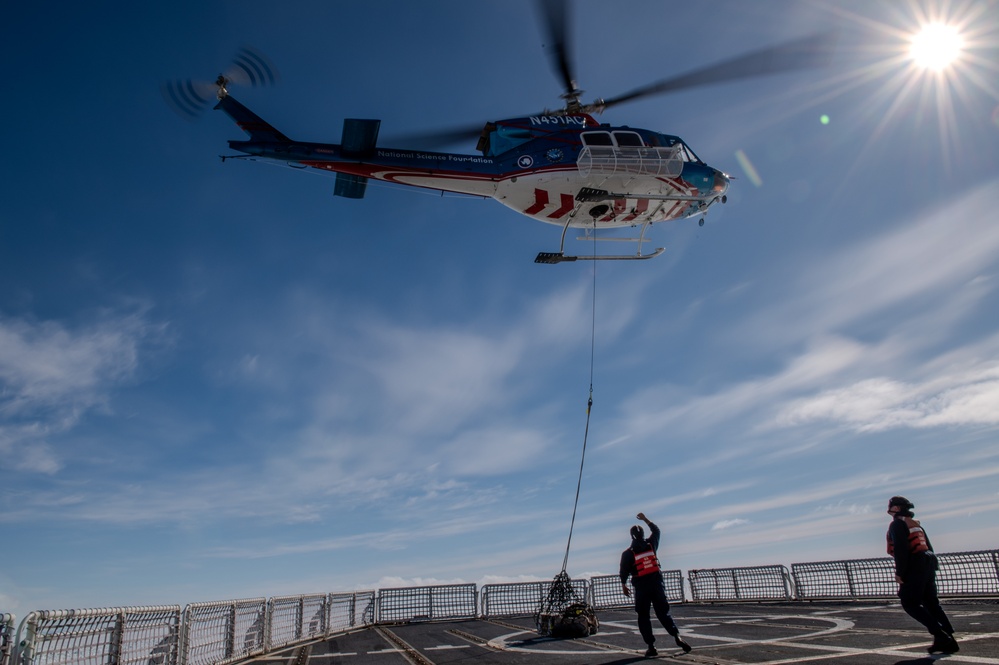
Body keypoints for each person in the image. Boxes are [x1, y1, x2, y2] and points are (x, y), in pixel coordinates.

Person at [886, 496, 958, 654]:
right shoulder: (916, 525)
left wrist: (900, 573)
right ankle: (950, 639)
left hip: (914, 565)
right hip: (928, 563)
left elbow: (901, 549)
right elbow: (929, 546)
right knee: (931, 603)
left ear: (896, 508)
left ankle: (940, 635)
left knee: (909, 602)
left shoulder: (897, 524)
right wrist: (933, 567)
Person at [619, 512, 691, 658]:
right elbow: (657, 531)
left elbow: (624, 571)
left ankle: (651, 646)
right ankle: (676, 635)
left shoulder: (628, 553)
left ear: (631, 536)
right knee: (663, 613)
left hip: (641, 588)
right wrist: (645, 519)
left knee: (643, 616)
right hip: (657, 585)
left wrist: (623, 585)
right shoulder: (651, 545)